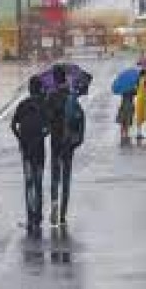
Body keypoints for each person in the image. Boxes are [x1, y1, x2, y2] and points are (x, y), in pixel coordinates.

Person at [47, 65, 85, 227]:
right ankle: (63, 214)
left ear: (55, 79)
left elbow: (47, 119)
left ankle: (54, 203)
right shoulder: (72, 97)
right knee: (66, 177)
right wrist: (78, 140)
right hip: (69, 142)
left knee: (55, 176)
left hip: (56, 141)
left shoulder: (51, 96)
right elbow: (80, 118)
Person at [11, 75, 48, 238]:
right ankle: (38, 216)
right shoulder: (44, 105)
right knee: (38, 183)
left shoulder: (23, 104)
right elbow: (49, 127)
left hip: (26, 150)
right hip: (39, 150)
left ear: (29, 89)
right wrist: (42, 136)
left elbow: (13, 125)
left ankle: (30, 217)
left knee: (29, 183)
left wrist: (20, 138)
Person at [135, 69, 146, 141]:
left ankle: (139, 132)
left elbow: (136, 89)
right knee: (140, 117)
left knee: (139, 117)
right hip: (142, 100)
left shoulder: (138, 80)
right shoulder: (145, 80)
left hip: (139, 99)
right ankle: (139, 133)